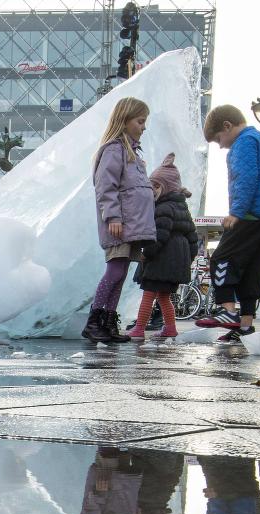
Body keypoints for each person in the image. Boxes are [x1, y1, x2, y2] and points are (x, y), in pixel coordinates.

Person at [195, 105, 260, 345]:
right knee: (253, 270)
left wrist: (236, 212)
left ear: (227, 126)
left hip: (251, 214)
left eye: (219, 140)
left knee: (221, 258)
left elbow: (245, 177)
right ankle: (245, 326)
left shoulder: (244, 142)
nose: (221, 145)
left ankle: (227, 310)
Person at [81, 97, 156, 344]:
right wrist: (112, 215)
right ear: (124, 120)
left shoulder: (132, 153)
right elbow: (106, 186)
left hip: (130, 225)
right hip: (119, 224)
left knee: (121, 272)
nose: (144, 127)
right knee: (114, 271)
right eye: (140, 121)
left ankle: (108, 321)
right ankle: (95, 321)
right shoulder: (115, 149)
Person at [128, 154, 198, 341]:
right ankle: (170, 328)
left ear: (166, 188)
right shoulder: (183, 208)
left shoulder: (163, 208)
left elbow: (158, 237)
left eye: (156, 186)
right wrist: (188, 260)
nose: (153, 190)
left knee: (149, 293)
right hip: (176, 261)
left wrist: (146, 254)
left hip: (161, 259)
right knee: (163, 296)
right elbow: (193, 238)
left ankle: (139, 328)